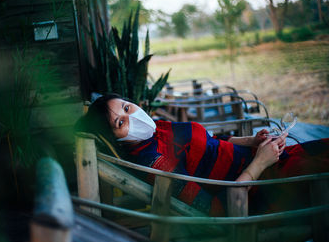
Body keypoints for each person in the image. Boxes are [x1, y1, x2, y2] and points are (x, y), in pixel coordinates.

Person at [75, 94, 329, 216]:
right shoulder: (157, 164)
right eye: (121, 123)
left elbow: (210, 144)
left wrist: (252, 141)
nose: (132, 116)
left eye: (127, 107)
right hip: (264, 189)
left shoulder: (155, 131)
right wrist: (260, 163)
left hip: (266, 164)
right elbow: (220, 211)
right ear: (114, 140)